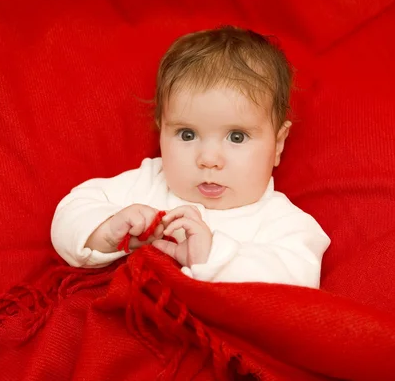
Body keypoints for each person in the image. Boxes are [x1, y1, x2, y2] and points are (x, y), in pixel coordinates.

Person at [51, 25, 330, 286]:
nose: (208, 159)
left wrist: (211, 256)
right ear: (161, 131)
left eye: (236, 137)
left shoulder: (281, 221)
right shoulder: (150, 182)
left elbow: (299, 280)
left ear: (278, 145)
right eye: (187, 134)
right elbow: (70, 211)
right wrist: (107, 231)